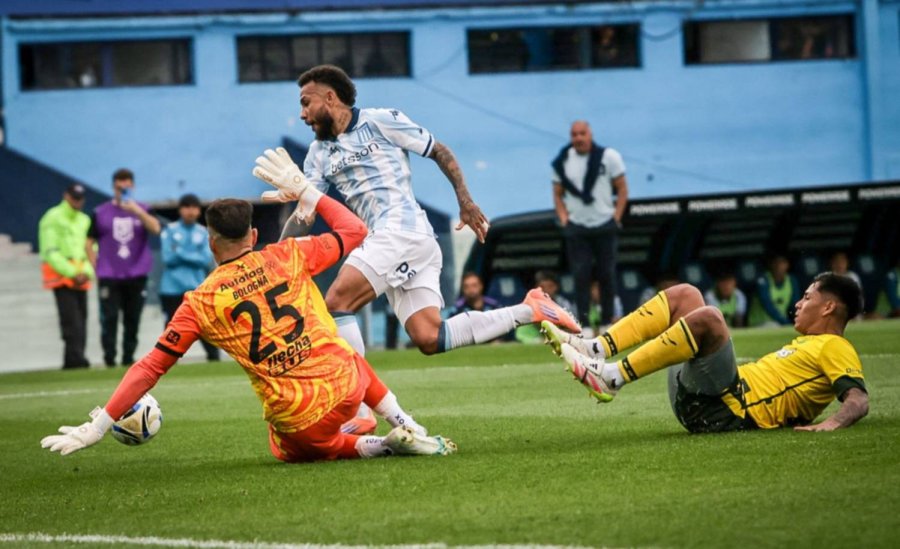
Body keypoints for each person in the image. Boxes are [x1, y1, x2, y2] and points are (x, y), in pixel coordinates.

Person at [41, 187, 456, 461]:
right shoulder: (288, 255)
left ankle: (380, 447)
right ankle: (405, 423)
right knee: (347, 356)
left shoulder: (200, 302)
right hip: (349, 387)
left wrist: (98, 426)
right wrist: (309, 192)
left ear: (210, 240)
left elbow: (150, 367)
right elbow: (356, 229)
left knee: (286, 449)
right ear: (254, 235)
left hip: (301, 418)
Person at [253, 66, 579, 406]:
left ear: (330, 98)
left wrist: (465, 202)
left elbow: (439, 150)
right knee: (429, 337)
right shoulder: (318, 154)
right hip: (397, 242)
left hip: (402, 229)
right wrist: (275, 257)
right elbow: (305, 213)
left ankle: (354, 410)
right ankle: (531, 310)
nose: (302, 114)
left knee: (336, 303)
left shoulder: (380, 120)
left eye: (306, 103)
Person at [542, 273, 869, 432]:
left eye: (808, 298)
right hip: (708, 397)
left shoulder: (836, 346)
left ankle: (612, 378)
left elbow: (858, 400)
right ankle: (594, 348)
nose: (799, 303)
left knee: (711, 318)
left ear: (828, 307)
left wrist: (831, 425)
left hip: (728, 412)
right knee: (687, 294)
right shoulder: (810, 343)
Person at [552, 120, 628, 337]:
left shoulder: (609, 156)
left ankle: (606, 322)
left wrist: (617, 217)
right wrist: (564, 218)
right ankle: (583, 325)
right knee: (580, 275)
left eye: (582, 133)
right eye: (574, 134)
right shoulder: (563, 161)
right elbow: (557, 193)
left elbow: (622, 189)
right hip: (578, 226)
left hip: (605, 223)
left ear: (590, 134)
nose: (578, 138)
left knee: (607, 274)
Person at [87, 168, 161, 367]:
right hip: (109, 275)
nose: (123, 189)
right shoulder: (100, 212)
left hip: (136, 274)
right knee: (109, 319)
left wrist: (136, 211)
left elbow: (155, 229)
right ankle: (109, 359)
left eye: (127, 186)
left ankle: (128, 358)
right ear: (114, 187)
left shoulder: (143, 209)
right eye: (120, 186)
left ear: (133, 186)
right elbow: (89, 242)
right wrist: (96, 266)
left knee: (132, 319)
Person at [38, 184, 95, 369]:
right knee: (71, 321)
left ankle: (74, 358)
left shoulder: (85, 220)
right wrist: (72, 272)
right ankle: (76, 359)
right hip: (61, 277)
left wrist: (86, 271)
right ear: (66, 196)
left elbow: (92, 248)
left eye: (80, 198)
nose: (77, 201)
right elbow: (50, 251)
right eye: (74, 197)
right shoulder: (52, 218)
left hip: (81, 276)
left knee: (81, 319)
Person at [159, 193, 219, 361]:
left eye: (194, 207)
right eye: (186, 207)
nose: (190, 211)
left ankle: (214, 359)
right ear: (180, 210)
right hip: (171, 289)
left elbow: (206, 260)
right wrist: (193, 254)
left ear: (199, 211)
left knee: (204, 327)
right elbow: (167, 258)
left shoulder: (204, 232)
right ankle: (165, 362)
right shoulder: (170, 230)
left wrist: (180, 252)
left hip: (196, 289)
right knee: (172, 329)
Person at [755, 254, 799, 326]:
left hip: (780, 323)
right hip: (759, 323)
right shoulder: (763, 280)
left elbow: (795, 305)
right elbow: (768, 305)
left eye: (782, 262)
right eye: (776, 262)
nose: (778, 266)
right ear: (771, 264)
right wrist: (786, 323)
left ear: (787, 264)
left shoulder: (791, 280)